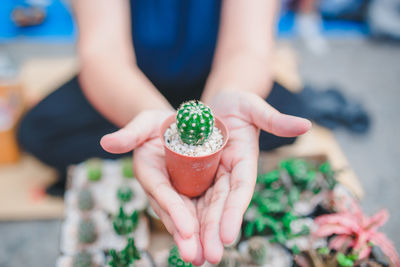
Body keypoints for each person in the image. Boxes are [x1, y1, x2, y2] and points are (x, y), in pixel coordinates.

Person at [18, 0, 311, 264]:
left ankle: (139, 149)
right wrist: (153, 117)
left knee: (282, 117)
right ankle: (142, 140)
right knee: (38, 132)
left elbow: (248, 48)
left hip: (218, 77)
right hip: (129, 85)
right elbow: (101, 53)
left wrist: (229, 94)